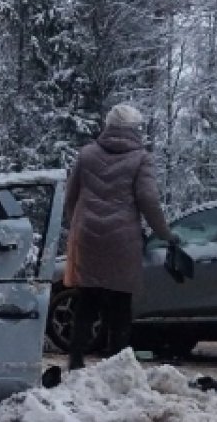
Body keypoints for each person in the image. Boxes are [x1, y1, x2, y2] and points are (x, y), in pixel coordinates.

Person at [63, 104, 178, 370]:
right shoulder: (140, 159)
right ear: (134, 128)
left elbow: (71, 197)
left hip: (88, 237)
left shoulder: (87, 154)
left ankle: (76, 360)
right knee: (120, 304)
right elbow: (148, 200)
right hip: (123, 241)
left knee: (87, 300)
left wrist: (78, 225)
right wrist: (164, 233)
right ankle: (117, 366)